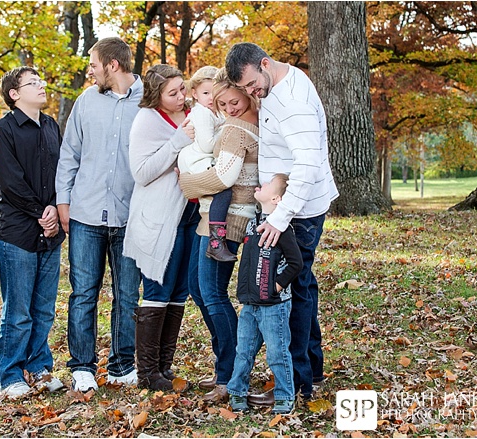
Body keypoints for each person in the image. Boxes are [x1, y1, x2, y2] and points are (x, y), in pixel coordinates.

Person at [225, 42, 339, 404]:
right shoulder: (280, 82)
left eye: (251, 85)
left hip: (297, 211)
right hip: (288, 204)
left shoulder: (291, 102)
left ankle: (300, 381)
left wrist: (279, 217)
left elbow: (306, 165)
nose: (250, 93)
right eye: (243, 89)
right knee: (303, 284)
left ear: (265, 63)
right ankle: (312, 370)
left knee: (288, 293)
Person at [56, 37, 143, 392]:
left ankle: (122, 366)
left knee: (127, 295)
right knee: (83, 293)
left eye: (93, 64)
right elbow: (69, 154)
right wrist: (64, 202)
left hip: (130, 216)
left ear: (112, 65)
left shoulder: (148, 101)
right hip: (86, 214)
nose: (89, 71)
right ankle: (82, 367)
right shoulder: (85, 101)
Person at [178, 71, 261, 402]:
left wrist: (187, 183)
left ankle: (230, 373)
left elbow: (224, 177)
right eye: (223, 103)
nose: (229, 108)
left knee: (212, 293)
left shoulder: (236, 131)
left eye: (234, 102)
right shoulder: (238, 125)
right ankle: (226, 361)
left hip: (228, 219)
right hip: (212, 216)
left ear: (248, 96)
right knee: (198, 289)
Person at [0, 66, 66, 400]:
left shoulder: (51, 126)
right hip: (18, 231)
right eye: (32, 83)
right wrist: (41, 213)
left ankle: (38, 367)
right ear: (14, 94)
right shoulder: (4, 129)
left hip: (50, 232)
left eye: (42, 80)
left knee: (44, 309)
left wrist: (54, 210)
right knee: (17, 312)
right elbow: (11, 182)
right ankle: (9, 375)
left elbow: (63, 172)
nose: (41, 85)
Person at [123, 64, 196, 391]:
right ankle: (147, 372)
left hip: (191, 216)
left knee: (179, 292)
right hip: (159, 219)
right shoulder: (147, 121)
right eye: (173, 93)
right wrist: (177, 142)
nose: (181, 96)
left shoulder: (192, 113)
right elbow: (141, 172)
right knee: (158, 291)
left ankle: (163, 368)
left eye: (183, 88)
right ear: (156, 96)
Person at [227, 173, 303, 415]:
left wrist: (275, 287)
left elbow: (295, 263)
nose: (262, 183)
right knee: (244, 350)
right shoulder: (253, 222)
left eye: (268, 183)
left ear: (276, 198)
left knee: (277, 351)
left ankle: (284, 395)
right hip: (250, 302)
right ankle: (237, 391)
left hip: (273, 304)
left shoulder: (282, 228)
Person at [178, 66, 234, 262]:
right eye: (205, 93)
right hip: (195, 160)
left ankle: (212, 237)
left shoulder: (215, 112)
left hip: (202, 159)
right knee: (222, 187)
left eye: (214, 92)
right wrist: (228, 129)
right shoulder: (201, 112)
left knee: (216, 193)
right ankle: (216, 241)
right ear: (194, 93)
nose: (211, 97)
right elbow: (207, 145)